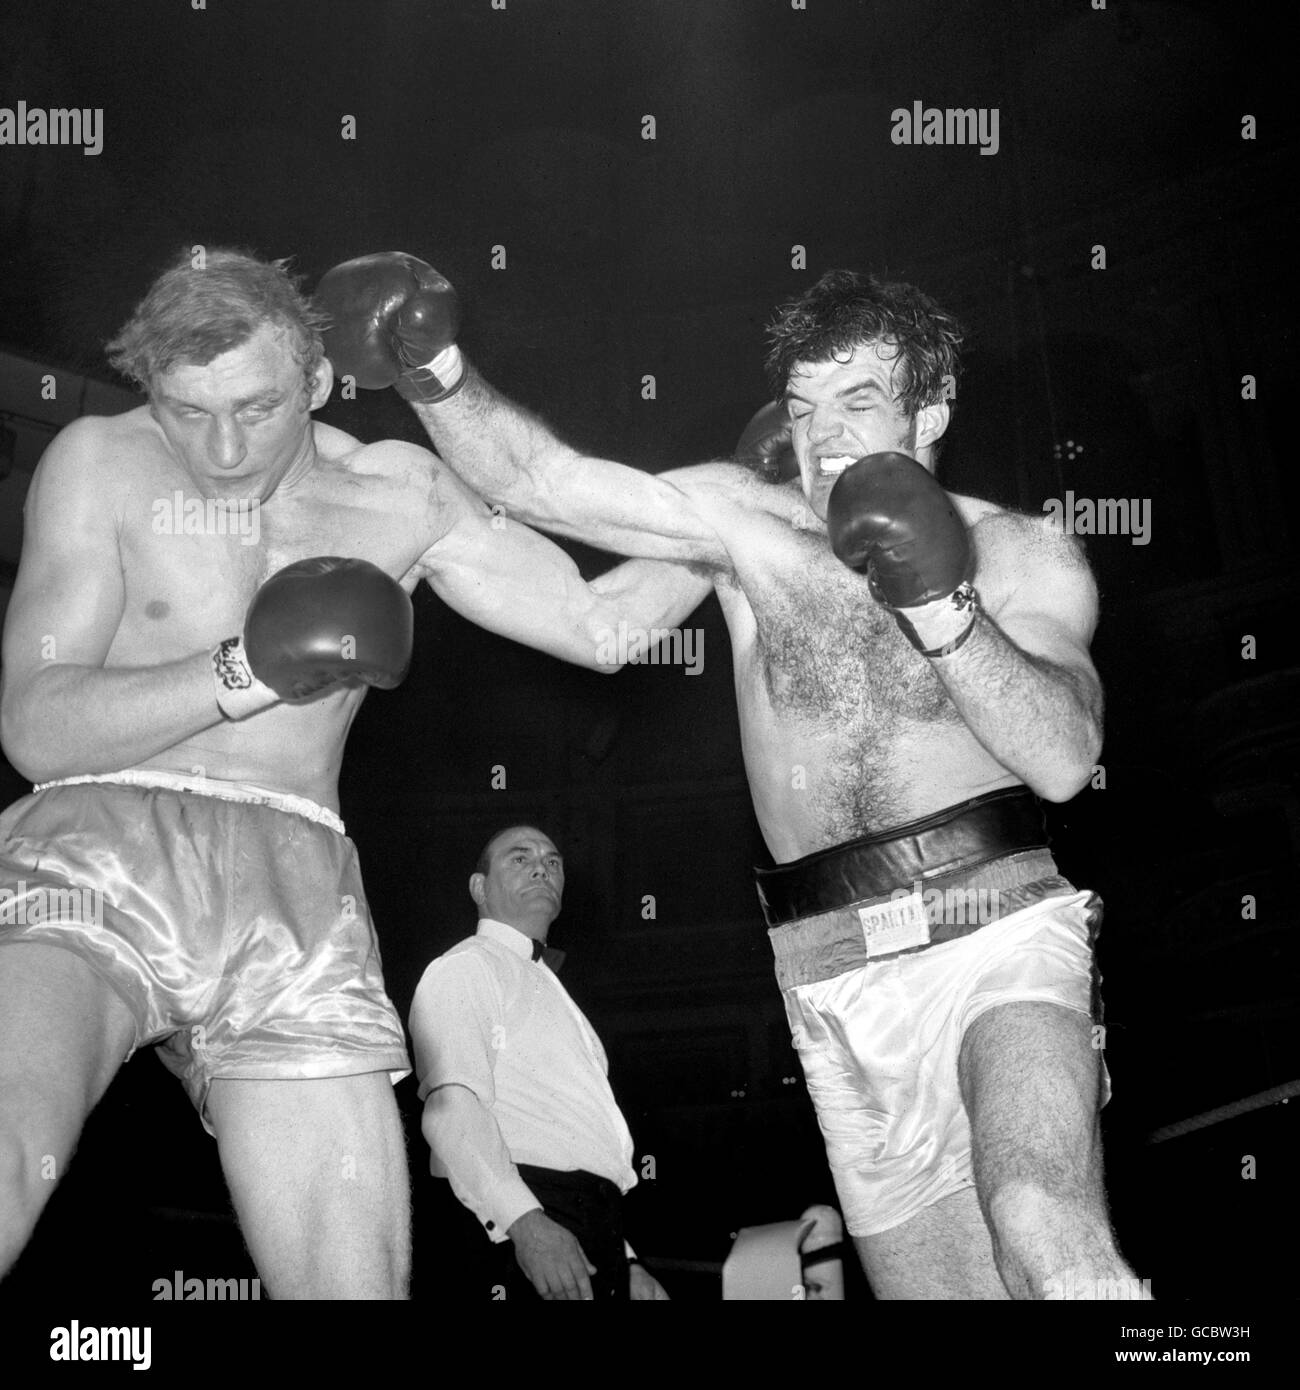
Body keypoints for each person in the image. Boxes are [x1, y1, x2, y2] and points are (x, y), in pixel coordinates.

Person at [318, 255, 1149, 1301]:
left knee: (1038, 1217)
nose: (824, 436)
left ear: (931, 408)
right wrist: (434, 368)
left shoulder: (1024, 553)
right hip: (830, 968)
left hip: (994, 925)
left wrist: (943, 606)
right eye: (803, 407)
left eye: (858, 402)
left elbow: (1067, 760)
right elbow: (543, 481)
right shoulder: (743, 521)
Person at [0, 248, 709, 1298]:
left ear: (321, 381)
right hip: (95, 848)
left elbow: (597, 626)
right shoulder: (101, 461)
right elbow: (35, 727)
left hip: (294, 881)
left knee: (352, 1281)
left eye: (255, 405)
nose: (223, 445)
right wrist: (244, 669)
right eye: (187, 411)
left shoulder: (404, 493)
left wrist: (735, 527)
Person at [408, 824, 669, 1302]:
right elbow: (451, 1110)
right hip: (526, 1218)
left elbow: (569, 1136)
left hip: (589, 1224)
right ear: (479, 888)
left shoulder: (550, 985)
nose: (541, 868)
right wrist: (524, 1222)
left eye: (552, 862)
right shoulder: (467, 966)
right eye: (519, 858)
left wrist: (626, 1260)